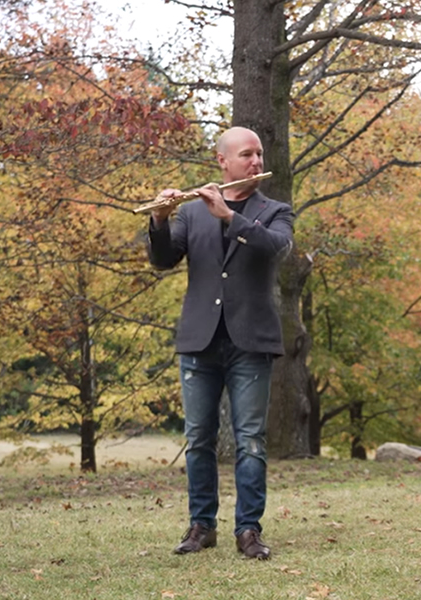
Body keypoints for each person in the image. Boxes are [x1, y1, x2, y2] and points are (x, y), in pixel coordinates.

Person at [148, 126, 294, 560]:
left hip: (251, 342)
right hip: (200, 341)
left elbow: (275, 249)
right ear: (223, 162)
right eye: (247, 155)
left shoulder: (274, 211)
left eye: (260, 154)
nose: (256, 162)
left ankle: (248, 530)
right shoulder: (191, 213)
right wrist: (159, 219)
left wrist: (231, 218)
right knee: (199, 439)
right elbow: (162, 260)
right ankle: (200, 526)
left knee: (250, 440)